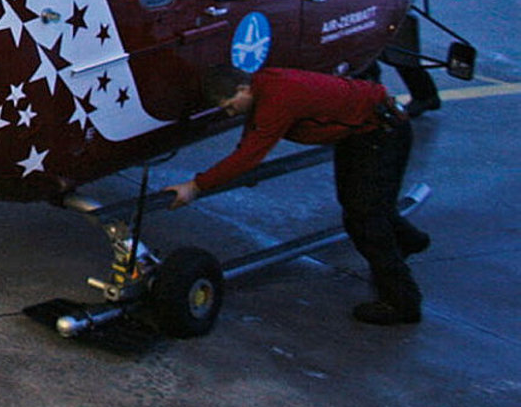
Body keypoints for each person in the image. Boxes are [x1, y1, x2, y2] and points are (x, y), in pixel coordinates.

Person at [164, 66, 426, 325]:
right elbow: (253, 136)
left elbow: (250, 153)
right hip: (363, 134)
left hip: (381, 135)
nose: (231, 113)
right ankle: (409, 241)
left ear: (243, 88)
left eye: (231, 105)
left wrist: (195, 186)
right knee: (361, 205)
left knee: (366, 222)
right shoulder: (265, 85)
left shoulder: (278, 97)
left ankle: (402, 303)